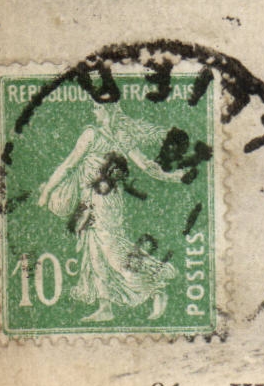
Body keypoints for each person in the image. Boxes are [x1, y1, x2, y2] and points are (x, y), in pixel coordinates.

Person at [36, 103, 187, 322]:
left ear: (109, 110)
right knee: (94, 254)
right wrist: (172, 177)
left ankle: (156, 287)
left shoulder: (93, 135)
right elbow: (146, 166)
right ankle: (105, 307)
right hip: (95, 203)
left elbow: (68, 165)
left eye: (97, 107)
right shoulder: (117, 135)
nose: (93, 111)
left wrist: (47, 192)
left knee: (113, 254)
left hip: (103, 204)